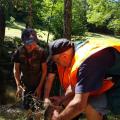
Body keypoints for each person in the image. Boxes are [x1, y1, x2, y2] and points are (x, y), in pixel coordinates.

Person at [47, 38, 120, 120]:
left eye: (57, 61)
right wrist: (62, 98)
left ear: (64, 56)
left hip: (116, 84)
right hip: (114, 77)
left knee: (91, 106)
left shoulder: (87, 62)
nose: (57, 64)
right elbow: (77, 85)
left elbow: (79, 105)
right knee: (86, 103)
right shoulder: (76, 50)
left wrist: (58, 119)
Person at [12, 28, 47, 110]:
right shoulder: (18, 52)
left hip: (38, 84)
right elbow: (16, 70)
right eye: (28, 44)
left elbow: (44, 71)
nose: (31, 46)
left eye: (33, 43)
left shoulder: (41, 52)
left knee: (37, 109)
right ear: (23, 42)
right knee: (26, 108)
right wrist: (18, 85)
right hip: (25, 85)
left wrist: (40, 87)